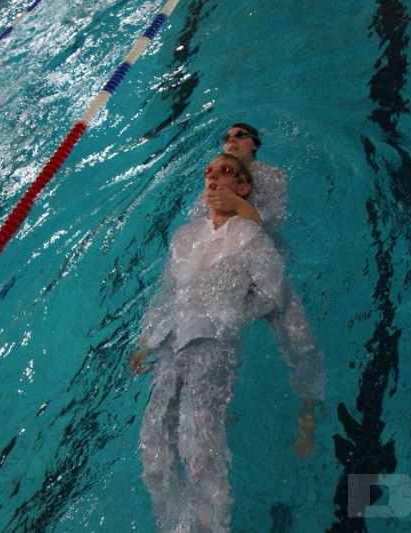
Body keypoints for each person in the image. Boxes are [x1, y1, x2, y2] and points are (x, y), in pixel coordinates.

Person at [132, 153, 320, 532]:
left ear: (243, 187)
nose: (213, 177)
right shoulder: (184, 237)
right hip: (171, 343)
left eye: (226, 171)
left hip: (212, 345)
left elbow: (273, 293)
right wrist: (145, 339)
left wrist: (230, 315)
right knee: (152, 445)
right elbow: (166, 292)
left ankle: (214, 526)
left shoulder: (249, 237)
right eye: (208, 171)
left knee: (199, 449)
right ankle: (172, 525)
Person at [190, 123, 326, 458]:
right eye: (226, 138)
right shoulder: (213, 181)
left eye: (239, 136)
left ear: (254, 143)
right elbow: (199, 230)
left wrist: (238, 205)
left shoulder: (273, 176)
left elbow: (272, 221)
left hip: (266, 268)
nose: (231, 141)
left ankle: (308, 410)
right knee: (215, 337)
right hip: (231, 273)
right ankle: (218, 408)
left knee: (300, 338)